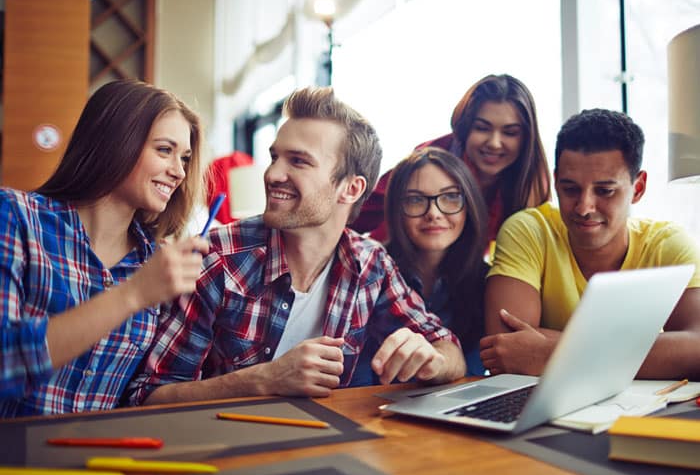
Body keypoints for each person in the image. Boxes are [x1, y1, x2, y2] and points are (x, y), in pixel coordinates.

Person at [126, 86, 466, 406]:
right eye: (275, 157)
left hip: (321, 446)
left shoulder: (370, 263)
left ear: (350, 188)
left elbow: (449, 350)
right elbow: (147, 395)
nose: (273, 174)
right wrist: (261, 381)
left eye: (298, 161)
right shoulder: (217, 258)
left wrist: (431, 361)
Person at [0, 79, 209, 417]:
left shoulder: (156, 263)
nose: (179, 172)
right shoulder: (17, 218)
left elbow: (141, 395)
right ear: (114, 142)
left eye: (184, 158)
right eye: (164, 150)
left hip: (102, 462)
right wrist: (132, 295)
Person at [480, 108, 700, 379]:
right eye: (570, 189)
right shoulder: (528, 231)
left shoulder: (667, 244)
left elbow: (697, 348)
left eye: (605, 191)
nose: (584, 207)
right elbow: (506, 347)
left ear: (638, 188)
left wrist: (549, 354)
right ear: (556, 181)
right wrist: (649, 354)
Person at [352, 74, 551, 245]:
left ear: (526, 138)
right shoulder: (430, 161)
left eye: (510, 132)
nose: (494, 143)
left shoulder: (531, 181)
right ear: (465, 128)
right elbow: (356, 215)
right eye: (482, 128)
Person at [383, 148, 489, 376]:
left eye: (450, 197)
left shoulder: (489, 283)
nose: (433, 213)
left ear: (469, 206)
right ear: (396, 209)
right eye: (415, 200)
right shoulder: (372, 272)